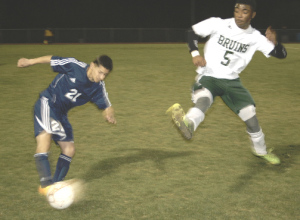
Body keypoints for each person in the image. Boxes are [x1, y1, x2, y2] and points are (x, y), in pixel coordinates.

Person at [167, 0, 287, 165]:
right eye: (237, 10)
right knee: (204, 100)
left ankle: (261, 151)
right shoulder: (219, 23)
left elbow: (281, 54)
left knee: (251, 119)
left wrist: (276, 43)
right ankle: (188, 123)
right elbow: (191, 32)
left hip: (232, 82)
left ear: (253, 15)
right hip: (208, 76)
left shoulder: (255, 37)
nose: (239, 14)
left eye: (245, 11)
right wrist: (195, 53)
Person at [17, 55, 116, 195]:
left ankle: (56, 186)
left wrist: (109, 113)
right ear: (92, 65)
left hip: (61, 114)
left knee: (69, 149)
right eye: (100, 72)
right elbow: (52, 59)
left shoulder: (98, 87)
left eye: (105, 75)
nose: (102, 77)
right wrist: (30, 61)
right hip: (47, 103)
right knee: (45, 140)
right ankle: (46, 186)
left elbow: (107, 104)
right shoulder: (74, 66)